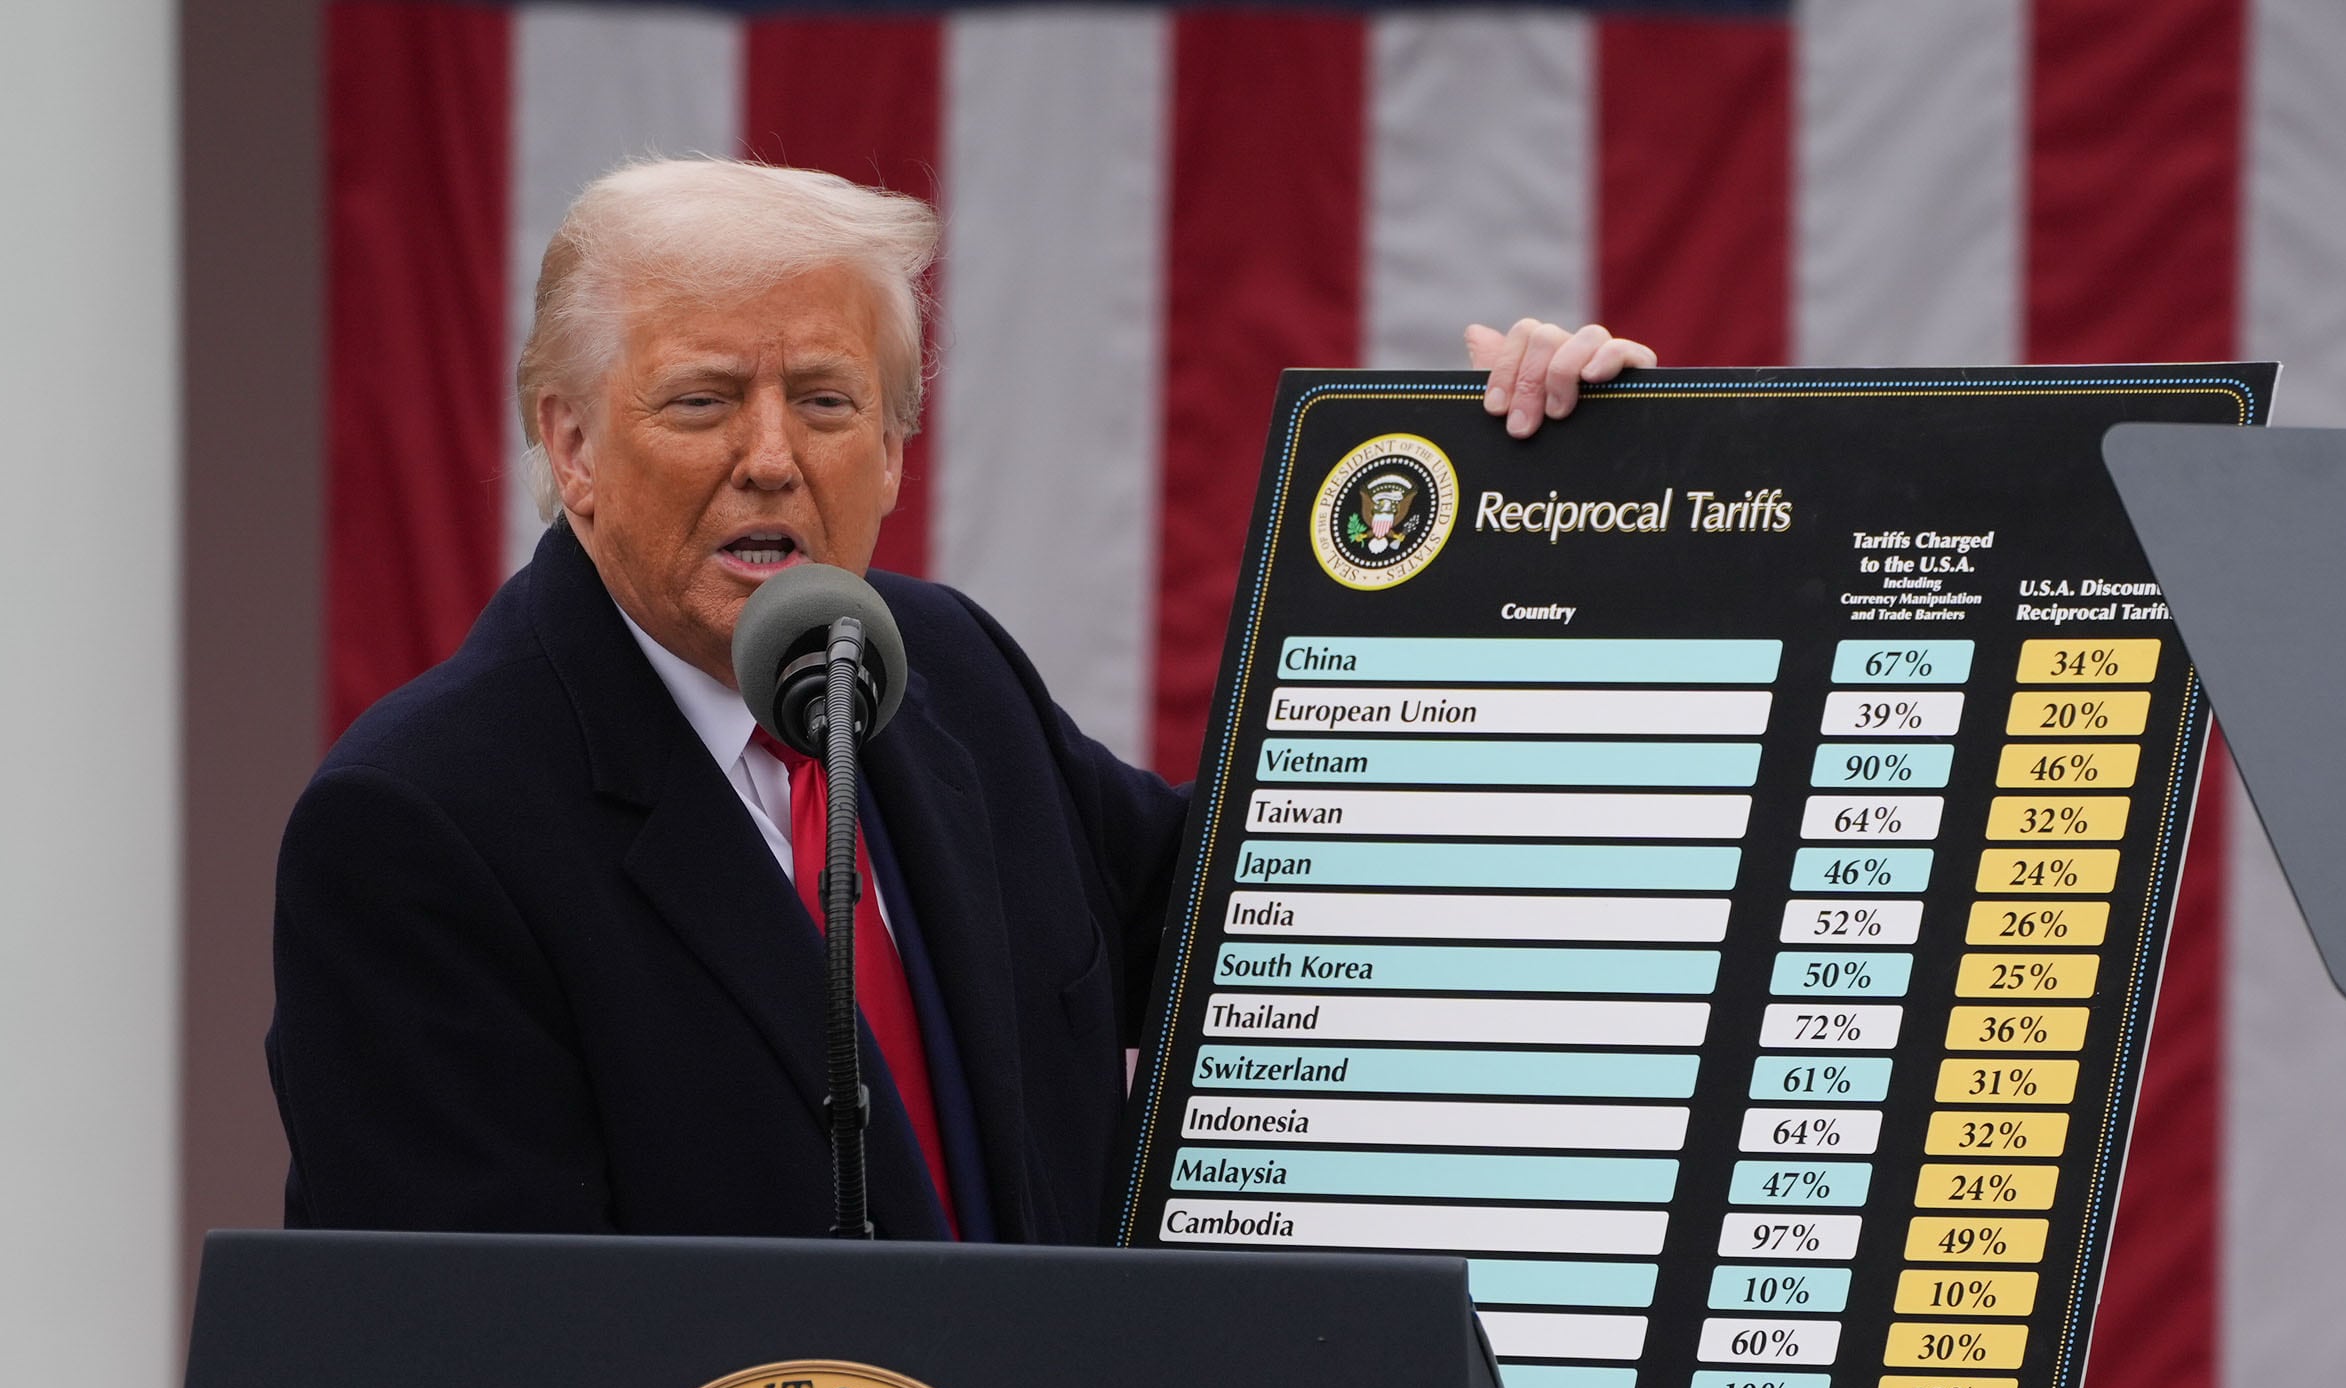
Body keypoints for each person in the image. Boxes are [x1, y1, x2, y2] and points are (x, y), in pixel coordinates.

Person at [268, 158, 1651, 1242]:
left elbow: (1280, 934)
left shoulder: (944, 674)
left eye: (822, 399)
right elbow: (472, 1362)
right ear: (567, 441)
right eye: (700, 402)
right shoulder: (420, 824)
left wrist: (1548, 523)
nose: (768, 457)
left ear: (892, 447)